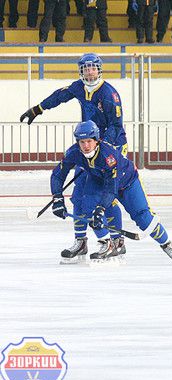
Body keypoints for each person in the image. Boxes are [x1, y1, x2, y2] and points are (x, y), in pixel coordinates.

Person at [20, 53, 128, 263]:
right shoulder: (79, 87)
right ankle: (81, 241)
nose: (89, 72)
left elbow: (116, 126)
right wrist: (38, 108)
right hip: (88, 146)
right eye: (85, 68)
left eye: (92, 68)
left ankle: (117, 241)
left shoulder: (109, 94)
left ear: (99, 69)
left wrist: (100, 150)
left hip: (109, 147)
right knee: (79, 195)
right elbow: (60, 96)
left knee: (107, 195)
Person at [50, 121, 172, 263]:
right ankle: (107, 243)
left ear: (97, 140)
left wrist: (100, 208)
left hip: (127, 182)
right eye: (82, 142)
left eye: (89, 141)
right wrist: (57, 198)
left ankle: (167, 244)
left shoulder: (109, 156)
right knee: (87, 205)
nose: (86, 146)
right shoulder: (74, 152)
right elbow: (58, 175)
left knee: (143, 217)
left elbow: (111, 188)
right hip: (100, 180)